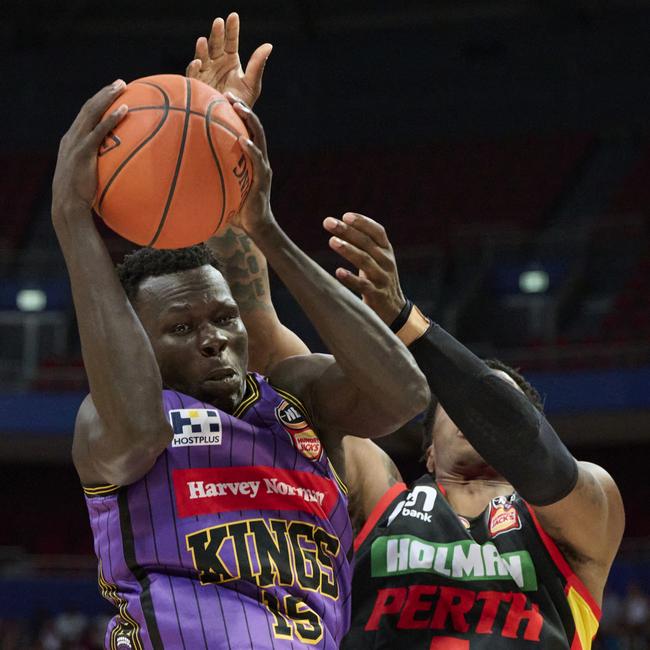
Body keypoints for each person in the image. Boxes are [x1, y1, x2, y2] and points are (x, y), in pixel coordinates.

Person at [192, 14, 623, 648]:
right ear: (425, 448)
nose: (478, 409)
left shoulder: (582, 513)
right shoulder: (381, 491)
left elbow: (525, 447)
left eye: (495, 398)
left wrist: (405, 317)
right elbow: (262, 333)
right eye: (460, 402)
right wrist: (219, 138)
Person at [52, 65, 428, 650]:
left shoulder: (294, 397)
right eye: (180, 327)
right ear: (137, 343)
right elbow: (138, 431)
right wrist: (73, 220)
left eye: (224, 318)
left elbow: (403, 395)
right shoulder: (108, 424)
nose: (214, 338)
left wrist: (265, 227)